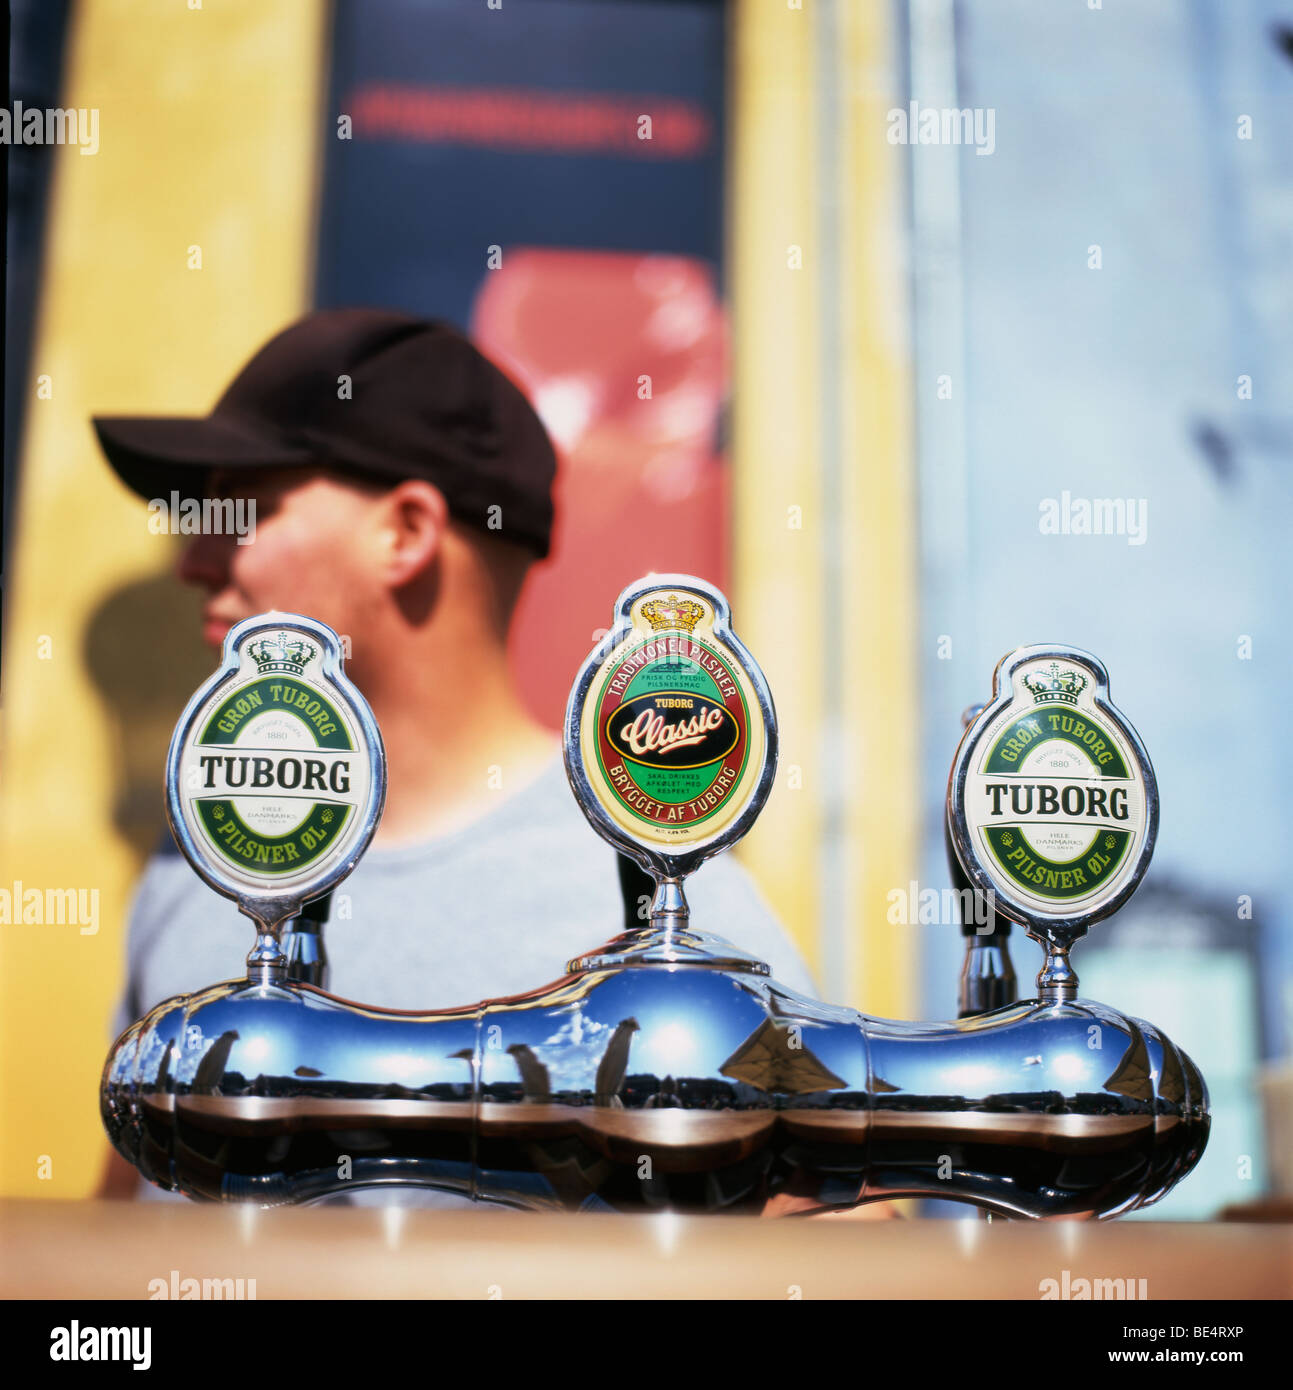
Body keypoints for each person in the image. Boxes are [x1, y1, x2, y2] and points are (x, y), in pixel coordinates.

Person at [92, 307, 819, 1204]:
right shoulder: (197, 856)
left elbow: (845, 1240)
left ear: (405, 533)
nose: (195, 560)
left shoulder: (659, 906)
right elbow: (126, 1223)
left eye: (240, 507)